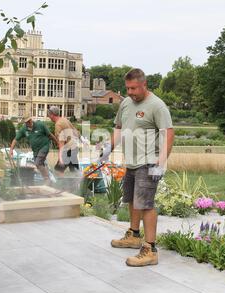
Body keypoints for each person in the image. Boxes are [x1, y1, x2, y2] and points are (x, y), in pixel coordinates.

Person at [98, 68, 174, 267]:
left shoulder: (157, 106)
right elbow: (119, 128)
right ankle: (134, 235)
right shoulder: (125, 103)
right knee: (132, 200)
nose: (130, 92)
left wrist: (161, 162)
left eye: (133, 88)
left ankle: (150, 249)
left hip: (149, 162)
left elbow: (168, 134)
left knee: (146, 204)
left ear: (144, 85)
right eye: (127, 88)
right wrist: (108, 148)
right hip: (131, 162)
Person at [9, 116, 57, 185]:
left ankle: (47, 179)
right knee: (40, 165)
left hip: (44, 146)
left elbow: (50, 135)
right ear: (25, 123)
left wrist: (57, 142)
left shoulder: (40, 125)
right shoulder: (24, 129)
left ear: (31, 120)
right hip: (36, 150)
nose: (29, 122)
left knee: (38, 163)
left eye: (29, 121)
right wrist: (11, 149)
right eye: (27, 122)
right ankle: (50, 181)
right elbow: (15, 139)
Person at [47, 105, 81, 176]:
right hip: (74, 148)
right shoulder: (65, 120)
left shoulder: (58, 125)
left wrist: (60, 159)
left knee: (58, 170)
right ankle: (77, 185)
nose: (48, 116)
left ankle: (62, 186)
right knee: (74, 171)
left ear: (52, 115)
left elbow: (61, 144)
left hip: (68, 150)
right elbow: (76, 133)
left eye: (49, 115)